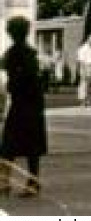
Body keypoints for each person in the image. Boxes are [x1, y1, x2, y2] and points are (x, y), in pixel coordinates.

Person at [1, 16, 48, 197]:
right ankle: (33, 182)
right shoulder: (31, 53)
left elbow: (10, 75)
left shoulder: (13, 53)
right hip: (34, 105)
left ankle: (5, 182)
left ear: (11, 32)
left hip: (20, 104)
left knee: (8, 145)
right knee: (32, 148)